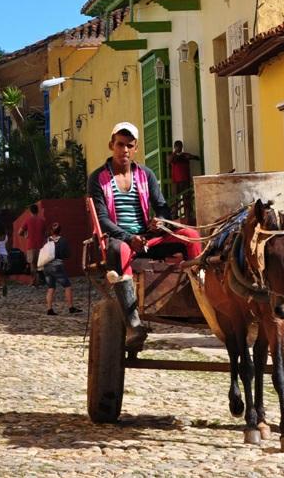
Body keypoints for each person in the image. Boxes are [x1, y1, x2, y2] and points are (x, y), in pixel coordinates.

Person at [89, 122, 202, 344]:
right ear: (111, 145)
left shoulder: (146, 175)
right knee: (120, 250)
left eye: (129, 145)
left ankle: (197, 301)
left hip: (146, 238)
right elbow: (101, 220)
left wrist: (160, 221)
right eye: (120, 145)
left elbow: (162, 207)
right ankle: (133, 324)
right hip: (117, 240)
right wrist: (128, 238)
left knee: (192, 236)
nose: (124, 150)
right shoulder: (98, 178)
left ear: (136, 148)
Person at [41, 222, 81, 315]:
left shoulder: (46, 240)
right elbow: (67, 254)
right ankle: (71, 307)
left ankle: (49, 309)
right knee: (67, 286)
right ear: (60, 231)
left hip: (46, 266)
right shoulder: (63, 241)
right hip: (57, 265)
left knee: (51, 288)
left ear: (51, 230)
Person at [167, 141, 198, 219]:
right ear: (175, 147)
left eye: (180, 146)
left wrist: (189, 157)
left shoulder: (185, 155)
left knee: (187, 199)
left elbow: (195, 157)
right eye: (177, 146)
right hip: (176, 182)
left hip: (185, 181)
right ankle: (174, 216)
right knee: (175, 200)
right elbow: (169, 160)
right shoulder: (172, 156)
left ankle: (188, 216)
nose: (179, 148)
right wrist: (176, 153)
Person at [18, 203, 47, 285]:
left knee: (32, 265)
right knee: (41, 264)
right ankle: (42, 280)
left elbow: (19, 232)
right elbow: (46, 234)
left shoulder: (27, 220)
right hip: (41, 246)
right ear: (38, 211)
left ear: (30, 211)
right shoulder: (42, 221)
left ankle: (34, 281)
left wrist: (26, 235)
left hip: (31, 245)